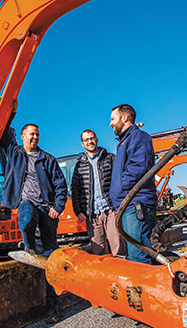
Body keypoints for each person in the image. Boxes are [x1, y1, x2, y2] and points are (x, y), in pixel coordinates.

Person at [0, 123, 67, 322]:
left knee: (50, 257)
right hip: (27, 203)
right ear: (22, 137)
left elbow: (60, 185)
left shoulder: (48, 159)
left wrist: (58, 206)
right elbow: (3, 136)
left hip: (47, 209)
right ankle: (28, 245)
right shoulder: (15, 154)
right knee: (26, 216)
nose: (35, 137)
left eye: (37, 134)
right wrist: (3, 109)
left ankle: (53, 306)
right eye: (31, 134)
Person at [109, 104, 158, 264]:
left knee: (139, 257)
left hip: (136, 205)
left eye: (113, 119)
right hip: (128, 205)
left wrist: (123, 186)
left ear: (125, 118)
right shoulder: (124, 142)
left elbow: (138, 166)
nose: (110, 123)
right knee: (139, 254)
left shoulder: (138, 137)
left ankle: (148, 289)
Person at [71, 130, 126, 258]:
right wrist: (78, 210)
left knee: (117, 247)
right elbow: (75, 190)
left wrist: (120, 203)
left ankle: (121, 275)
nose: (90, 141)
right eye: (86, 140)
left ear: (96, 139)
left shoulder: (110, 158)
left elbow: (121, 180)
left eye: (92, 138)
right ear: (82, 144)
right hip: (92, 214)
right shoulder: (79, 166)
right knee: (98, 251)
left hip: (111, 210)